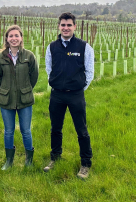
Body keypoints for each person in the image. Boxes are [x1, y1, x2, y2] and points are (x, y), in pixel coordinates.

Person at [44, 12, 94, 179]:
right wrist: (58, 85)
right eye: (63, 25)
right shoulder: (51, 47)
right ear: (59, 26)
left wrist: (78, 88)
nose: (66, 28)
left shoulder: (84, 47)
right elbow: (48, 69)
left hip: (76, 95)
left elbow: (90, 72)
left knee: (82, 130)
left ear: (75, 27)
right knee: (55, 129)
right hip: (57, 95)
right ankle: (55, 157)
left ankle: (85, 163)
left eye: (69, 25)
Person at [0, 25, 39, 170]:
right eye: (11, 36)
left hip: (25, 100)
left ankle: (29, 160)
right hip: (6, 100)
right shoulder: (1, 58)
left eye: (16, 36)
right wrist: (6, 89)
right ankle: (9, 161)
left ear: (21, 38)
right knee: (8, 131)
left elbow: (34, 76)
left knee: (26, 130)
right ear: (7, 39)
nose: (13, 39)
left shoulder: (29, 56)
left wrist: (25, 89)